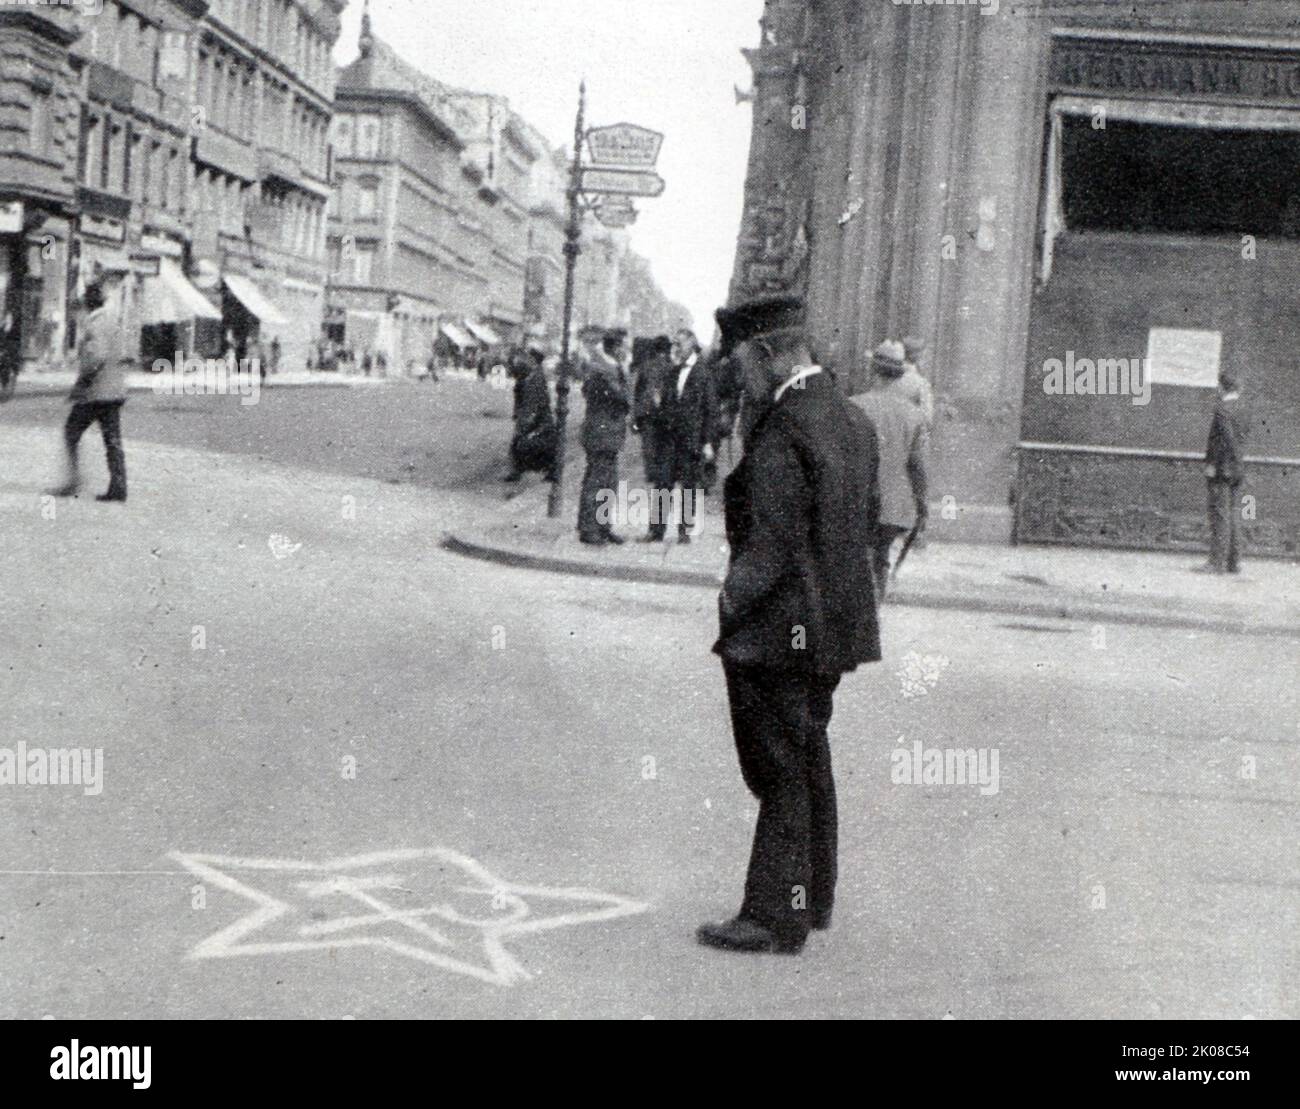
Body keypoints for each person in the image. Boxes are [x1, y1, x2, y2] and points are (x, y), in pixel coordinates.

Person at [697, 294, 882, 956]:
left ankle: (774, 915)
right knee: (809, 754)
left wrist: (730, 599)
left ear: (772, 353)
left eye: (743, 362)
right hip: (833, 628)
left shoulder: (783, 429)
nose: (739, 376)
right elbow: (867, 525)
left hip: (778, 630)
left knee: (777, 766)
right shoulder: (852, 419)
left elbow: (770, 542)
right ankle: (814, 895)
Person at [851, 340, 929, 598]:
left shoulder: (853, 407)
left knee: (856, 559)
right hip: (895, 506)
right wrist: (922, 505)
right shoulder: (914, 415)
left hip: (857, 500)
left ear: (872, 371)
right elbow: (918, 467)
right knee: (881, 556)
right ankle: (874, 607)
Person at [49, 263, 133, 503]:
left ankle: (73, 482)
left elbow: (95, 357)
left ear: (88, 305)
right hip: (114, 391)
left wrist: (82, 380)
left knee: (71, 432)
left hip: (96, 391)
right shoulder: (112, 319)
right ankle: (119, 487)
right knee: (113, 441)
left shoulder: (96, 323)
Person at [646, 329, 719, 544]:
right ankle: (656, 531)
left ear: (692, 344)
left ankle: (684, 531)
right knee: (662, 484)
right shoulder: (673, 372)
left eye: (680, 344)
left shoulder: (704, 373)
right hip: (670, 438)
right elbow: (666, 405)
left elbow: (710, 410)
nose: (675, 348)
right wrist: (659, 405)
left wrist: (707, 442)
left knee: (688, 486)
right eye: (674, 344)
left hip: (691, 440)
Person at [577, 327, 630, 545]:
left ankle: (602, 526)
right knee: (597, 482)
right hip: (601, 434)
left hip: (608, 434)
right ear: (615, 347)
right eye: (623, 346)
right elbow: (624, 399)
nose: (625, 350)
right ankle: (590, 529)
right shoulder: (602, 372)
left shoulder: (609, 368)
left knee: (608, 482)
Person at [1202, 371, 1250, 574]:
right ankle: (1234, 562)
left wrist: (1212, 464)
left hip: (1222, 469)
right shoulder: (1244, 410)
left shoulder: (1222, 410)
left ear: (1222, 387)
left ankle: (1216, 563)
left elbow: (1223, 442)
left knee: (1219, 515)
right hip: (1238, 469)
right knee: (1232, 515)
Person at [630, 335, 674, 537]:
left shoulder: (646, 366)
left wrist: (634, 417)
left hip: (647, 415)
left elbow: (638, 392)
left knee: (649, 449)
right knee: (661, 453)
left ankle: (651, 470)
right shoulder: (672, 367)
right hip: (664, 419)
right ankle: (656, 470)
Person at [504, 346, 556, 483]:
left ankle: (519, 471)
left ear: (534, 359)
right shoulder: (532, 373)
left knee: (527, 443)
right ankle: (518, 471)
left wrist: (527, 417)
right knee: (527, 443)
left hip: (536, 416)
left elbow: (536, 399)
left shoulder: (536, 376)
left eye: (530, 357)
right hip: (533, 415)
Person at [900, 335, 936, 429]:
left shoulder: (890, 375)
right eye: (924, 354)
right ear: (917, 355)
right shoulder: (920, 382)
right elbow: (927, 418)